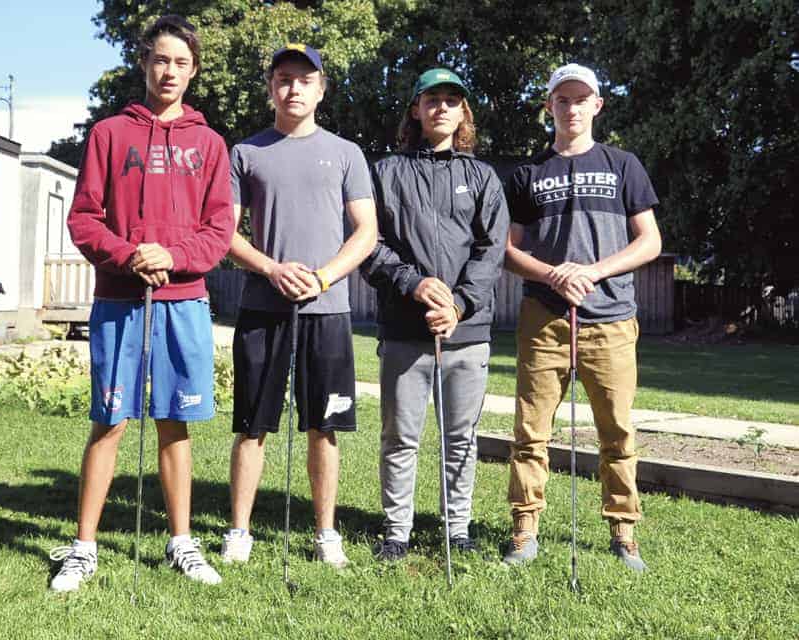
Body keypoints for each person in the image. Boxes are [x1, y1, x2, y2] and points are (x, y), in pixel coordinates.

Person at [51, 15, 234, 592]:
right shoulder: (110, 133)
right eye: (161, 59)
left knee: (176, 423)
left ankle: (182, 541)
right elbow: (83, 218)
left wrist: (172, 257)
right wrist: (129, 255)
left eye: (181, 62)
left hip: (183, 301)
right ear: (145, 64)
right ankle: (84, 547)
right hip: (120, 300)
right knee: (109, 420)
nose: (170, 71)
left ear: (194, 70)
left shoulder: (210, 143)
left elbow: (220, 228)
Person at [221, 44, 377, 568]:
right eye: (284, 79)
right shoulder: (246, 153)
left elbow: (367, 231)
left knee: (324, 425)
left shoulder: (347, 153)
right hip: (264, 308)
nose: (293, 88)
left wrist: (325, 275)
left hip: (327, 310)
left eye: (304, 80)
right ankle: (239, 530)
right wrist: (272, 268)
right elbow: (224, 234)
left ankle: (326, 532)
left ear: (321, 88)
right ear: (271, 88)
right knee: (252, 424)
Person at [503, 63, 662, 572]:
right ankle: (525, 530)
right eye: (562, 99)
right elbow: (507, 251)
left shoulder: (623, 165)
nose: (571, 108)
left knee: (616, 432)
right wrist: (554, 275)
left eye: (581, 98)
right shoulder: (528, 173)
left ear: (597, 105)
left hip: (611, 318)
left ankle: (623, 534)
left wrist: (591, 271)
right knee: (531, 431)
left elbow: (650, 241)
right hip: (544, 317)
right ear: (549, 106)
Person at [361, 68, 509, 561]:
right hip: (405, 330)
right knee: (401, 436)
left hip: (466, 333)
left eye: (452, 100)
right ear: (416, 110)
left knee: (460, 438)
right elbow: (370, 246)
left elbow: (492, 251)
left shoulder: (482, 177)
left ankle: (457, 526)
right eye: (432, 100)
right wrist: (415, 284)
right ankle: (396, 531)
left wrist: (459, 303)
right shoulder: (384, 172)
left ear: (463, 112)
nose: (441, 108)